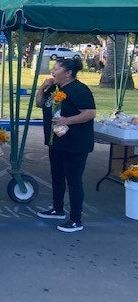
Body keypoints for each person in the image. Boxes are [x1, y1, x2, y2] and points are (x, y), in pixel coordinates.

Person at [35, 58, 96, 233]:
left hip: (75, 144)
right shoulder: (54, 88)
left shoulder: (79, 89)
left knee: (74, 180)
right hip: (56, 142)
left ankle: (76, 219)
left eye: (56, 69)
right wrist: (42, 87)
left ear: (68, 72)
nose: (52, 72)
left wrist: (67, 120)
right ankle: (57, 209)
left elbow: (90, 113)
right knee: (57, 176)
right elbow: (40, 103)